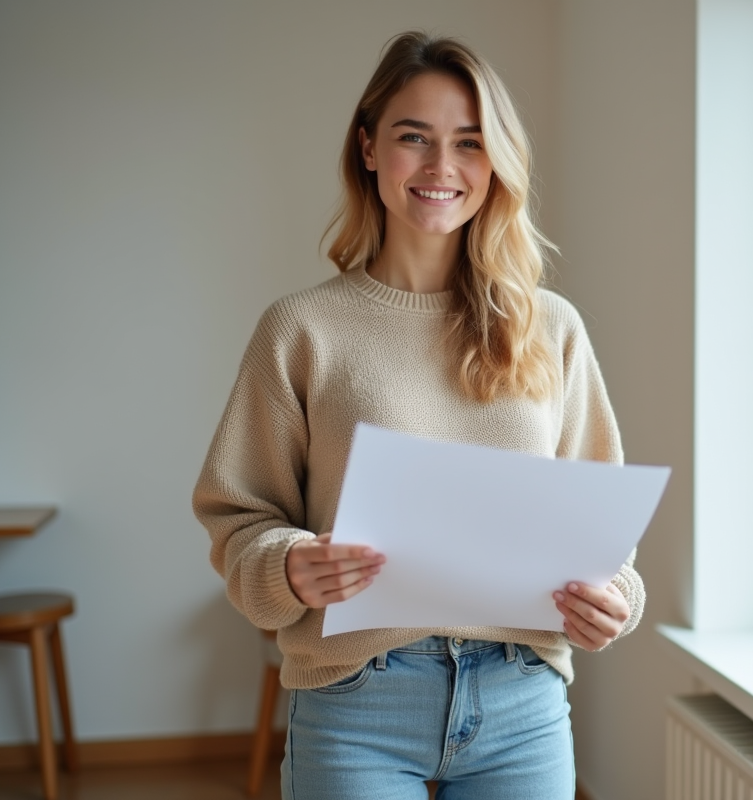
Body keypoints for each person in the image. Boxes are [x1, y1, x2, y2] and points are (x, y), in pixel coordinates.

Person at [192, 31, 644, 800]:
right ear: (369, 149)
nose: (442, 168)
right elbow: (240, 519)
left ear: (496, 160)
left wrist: (617, 603)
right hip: (354, 699)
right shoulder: (301, 329)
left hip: (521, 701)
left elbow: (604, 538)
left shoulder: (553, 327)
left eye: (469, 143)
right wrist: (290, 565)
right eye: (415, 139)